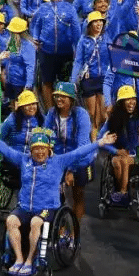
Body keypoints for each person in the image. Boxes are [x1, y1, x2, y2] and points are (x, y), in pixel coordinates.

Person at [0, 124, 115, 276]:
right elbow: (5, 149)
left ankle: (30, 260)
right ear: (31, 150)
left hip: (47, 207)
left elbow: (78, 152)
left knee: (36, 222)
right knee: (10, 221)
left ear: (49, 149)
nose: (40, 152)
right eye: (36, 148)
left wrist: (100, 143)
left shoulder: (58, 162)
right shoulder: (24, 160)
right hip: (24, 207)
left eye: (43, 148)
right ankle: (19, 259)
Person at [43, 83, 94, 220]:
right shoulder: (51, 114)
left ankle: (75, 231)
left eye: (63, 97)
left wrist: (71, 169)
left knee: (77, 193)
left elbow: (82, 145)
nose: (59, 99)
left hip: (80, 159)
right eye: (57, 96)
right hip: (59, 158)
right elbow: (45, 136)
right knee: (55, 194)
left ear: (71, 99)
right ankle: (59, 226)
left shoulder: (81, 115)